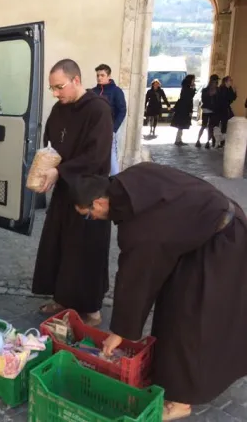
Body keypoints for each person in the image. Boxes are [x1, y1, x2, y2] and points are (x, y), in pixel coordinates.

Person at [71, 162, 247, 421]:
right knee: (173, 304)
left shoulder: (138, 229)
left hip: (222, 241)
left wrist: (119, 333)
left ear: (98, 203)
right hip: (202, 235)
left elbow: (134, 278)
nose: (93, 219)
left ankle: (181, 401)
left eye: (87, 214)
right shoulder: (130, 180)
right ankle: (170, 375)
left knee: (189, 318)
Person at [32, 59, 112, 327]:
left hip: (91, 192)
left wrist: (61, 170)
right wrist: (46, 163)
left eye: (59, 87)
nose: (55, 93)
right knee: (61, 245)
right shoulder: (59, 108)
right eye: (52, 88)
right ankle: (63, 298)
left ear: (76, 80)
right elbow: (52, 142)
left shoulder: (99, 110)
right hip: (65, 190)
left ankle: (92, 310)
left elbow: (96, 155)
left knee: (87, 250)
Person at [93, 64, 127, 175]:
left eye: (102, 75)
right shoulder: (93, 92)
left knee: (111, 156)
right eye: (98, 75)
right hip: (94, 131)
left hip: (109, 130)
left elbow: (122, 111)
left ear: (109, 76)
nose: (99, 78)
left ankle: (114, 183)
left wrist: (113, 129)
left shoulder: (116, 91)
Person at [170, 74, 196, 146]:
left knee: (181, 126)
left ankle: (179, 139)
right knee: (181, 125)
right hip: (184, 109)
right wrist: (193, 88)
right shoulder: (187, 89)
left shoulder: (185, 88)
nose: (194, 81)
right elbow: (189, 99)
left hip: (182, 108)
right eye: (193, 79)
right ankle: (178, 140)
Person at [196, 74, 220, 149]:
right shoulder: (206, 90)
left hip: (211, 110)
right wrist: (211, 95)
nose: (217, 82)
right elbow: (204, 100)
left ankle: (206, 142)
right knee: (205, 126)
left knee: (209, 127)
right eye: (216, 81)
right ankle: (200, 141)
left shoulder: (216, 90)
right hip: (208, 110)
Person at [217, 76, 237, 148]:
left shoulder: (229, 88)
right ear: (226, 81)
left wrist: (235, 92)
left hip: (227, 108)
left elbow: (233, 98)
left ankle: (224, 140)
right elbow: (225, 99)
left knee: (230, 123)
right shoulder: (222, 89)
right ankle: (221, 142)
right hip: (222, 109)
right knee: (224, 125)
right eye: (230, 80)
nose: (231, 81)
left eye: (231, 80)